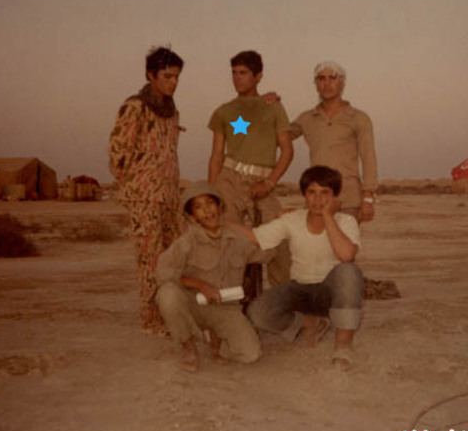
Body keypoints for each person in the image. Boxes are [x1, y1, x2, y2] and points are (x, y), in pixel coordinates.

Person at [228, 166, 364, 369]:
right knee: (258, 313)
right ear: (304, 195)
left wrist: (328, 216)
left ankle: (343, 346)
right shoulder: (293, 219)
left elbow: (346, 255)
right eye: (312, 192)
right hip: (299, 289)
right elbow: (256, 237)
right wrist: (220, 223)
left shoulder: (346, 221)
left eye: (325, 193)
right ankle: (310, 323)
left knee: (349, 272)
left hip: (331, 294)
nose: (318, 200)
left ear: (334, 196)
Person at [108, 46, 185, 332]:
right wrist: (137, 187)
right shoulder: (135, 107)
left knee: (174, 256)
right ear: (151, 75)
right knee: (150, 259)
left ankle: (173, 312)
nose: (173, 82)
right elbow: (118, 154)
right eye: (167, 76)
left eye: (176, 77)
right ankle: (152, 319)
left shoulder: (171, 112)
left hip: (169, 196)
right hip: (145, 197)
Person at [155, 181, 268, 372]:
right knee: (167, 294)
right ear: (192, 216)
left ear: (219, 206)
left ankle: (217, 341)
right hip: (195, 304)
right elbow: (163, 274)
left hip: (226, 308)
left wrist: (282, 224)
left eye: (210, 203)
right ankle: (188, 346)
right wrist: (200, 285)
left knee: (251, 354)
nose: (207, 210)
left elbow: (267, 250)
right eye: (199, 207)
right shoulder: (186, 243)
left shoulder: (237, 239)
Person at [207, 50, 293, 286]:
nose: (237, 78)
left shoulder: (273, 107)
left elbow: (287, 151)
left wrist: (269, 182)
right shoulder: (223, 111)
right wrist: (211, 193)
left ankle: (281, 297)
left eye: (243, 73)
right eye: (234, 73)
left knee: (279, 238)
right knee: (223, 237)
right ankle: (228, 297)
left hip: (262, 181)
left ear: (258, 76)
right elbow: (216, 155)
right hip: (229, 180)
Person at [290, 61, 378, 222]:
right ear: (316, 83)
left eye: (332, 78)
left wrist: (368, 199)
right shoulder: (307, 118)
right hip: (316, 200)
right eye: (321, 78)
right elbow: (277, 136)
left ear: (342, 82)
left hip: (348, 199)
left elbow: (369, 159)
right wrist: (267, 104)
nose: (327, 83)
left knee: (345, 239)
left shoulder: (359, 118)